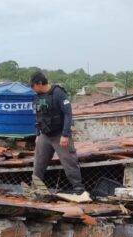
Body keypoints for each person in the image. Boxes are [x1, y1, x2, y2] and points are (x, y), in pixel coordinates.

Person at [29, 71, 91, 203]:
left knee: (69, 162)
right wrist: (37, 134)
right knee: (38, 163)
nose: (32, 89)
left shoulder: (58, 93)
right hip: (45, 135)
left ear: (39, 84)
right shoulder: (37, 97)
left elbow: (68, 114)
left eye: (33, 86)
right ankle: (34, 189)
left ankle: (79, 190)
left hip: (60, 135)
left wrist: (65, 134)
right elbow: (38, 117)